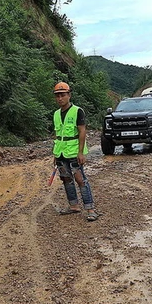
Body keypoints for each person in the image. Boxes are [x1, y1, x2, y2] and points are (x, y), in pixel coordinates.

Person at [52, 82, 98, 221]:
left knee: (80, 179)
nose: (60, 98)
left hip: (73, 151)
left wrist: (80, 152)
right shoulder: (56, 114)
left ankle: (90, 209)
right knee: (66, 179)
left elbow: (82, 131)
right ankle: (74, 206)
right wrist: (55, 154)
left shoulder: (77, 111)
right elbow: (57, 134)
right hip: (60, 152)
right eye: (57, 96)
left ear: (69, 95)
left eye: (63, 95)